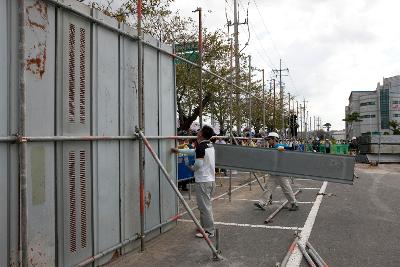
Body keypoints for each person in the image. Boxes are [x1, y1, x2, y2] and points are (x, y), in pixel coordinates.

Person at [172, 125, 216, 238]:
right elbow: (193, 152)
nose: (197, 132)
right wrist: (178, 150)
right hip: (210, 179)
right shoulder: (209, 145)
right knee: (203, 205)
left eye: (199, 131)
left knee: (205, 206)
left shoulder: (201, 147)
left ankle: (209, 231)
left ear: (201, 134)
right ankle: (204, 227)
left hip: (203, 180)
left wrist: (192, 168)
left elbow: (198, 163)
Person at [254, 132, 299, 211]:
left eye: (269, 139)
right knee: (268, 188)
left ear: (274, 139)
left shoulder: (279, 146)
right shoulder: (273, 147)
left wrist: (285, 148)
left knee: (286, 189)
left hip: (281, 172)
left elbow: (290, 148)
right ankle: (262, 203)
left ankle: (294, 203)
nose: (268, 141)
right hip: (274, 172)